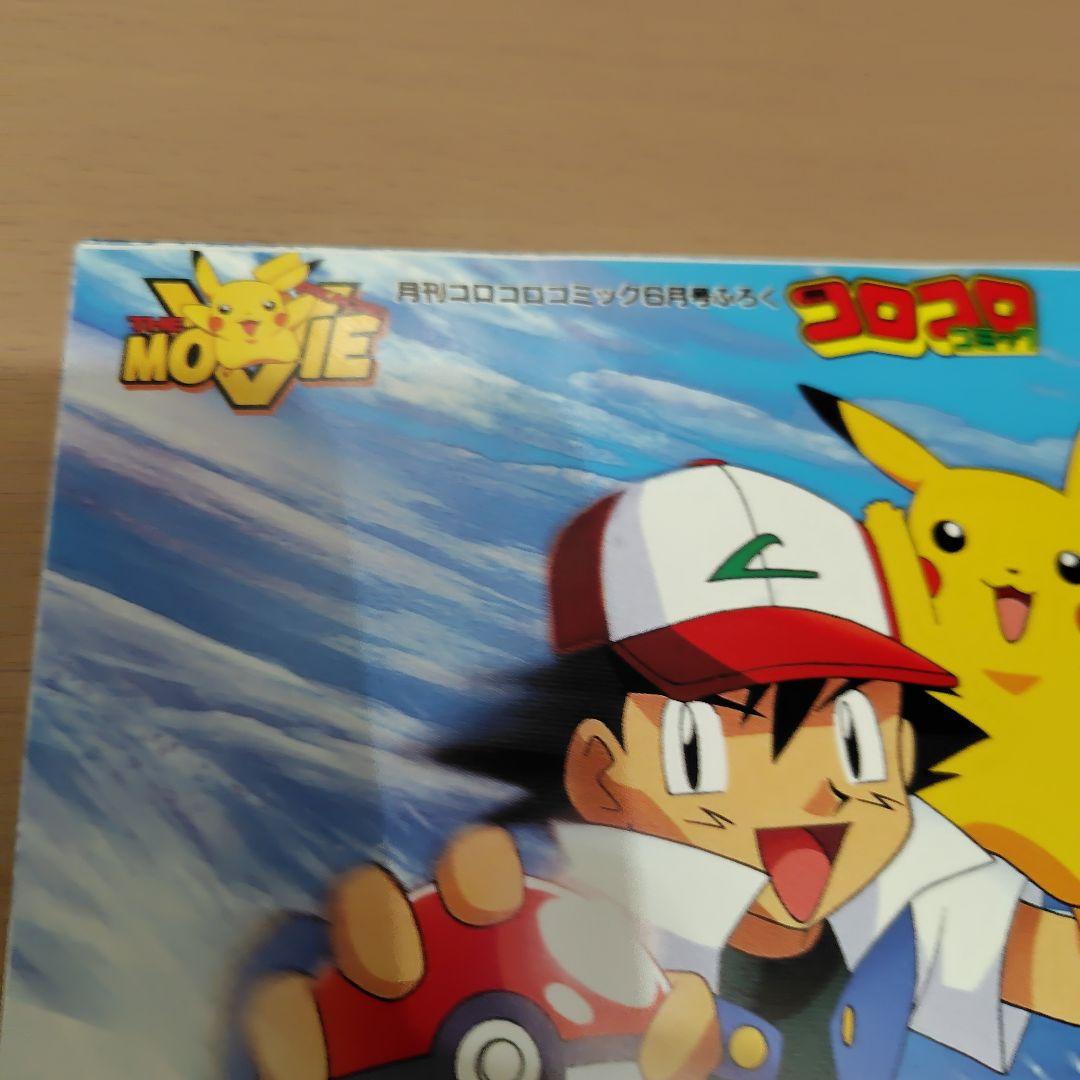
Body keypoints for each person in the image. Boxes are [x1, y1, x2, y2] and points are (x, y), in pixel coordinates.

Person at [245, 461, 1080, 1080]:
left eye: (858, 739)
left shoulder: (900, 880)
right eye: (708, 749)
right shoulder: (569, 936)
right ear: (601, 773)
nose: (819, 787)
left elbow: (1050, 965)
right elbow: (401, 977)